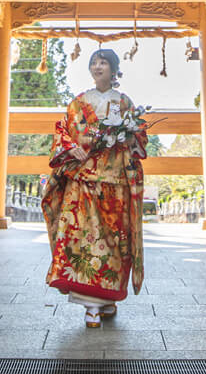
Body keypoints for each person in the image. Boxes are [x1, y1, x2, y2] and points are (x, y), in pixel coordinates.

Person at [42, 48, 147, 328]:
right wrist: (71, 147)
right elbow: (63, 131)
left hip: (115, 181)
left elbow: (138, 137)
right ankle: (90, 306)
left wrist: (129, 136)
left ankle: (108, 297)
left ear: (114, 70)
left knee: (114, 241)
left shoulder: (124, 102)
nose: (97, 66)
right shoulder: (79, 102)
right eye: (94, 62)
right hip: (84, 178)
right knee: (83, 239)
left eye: (103, 62)